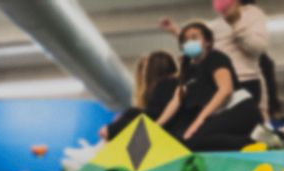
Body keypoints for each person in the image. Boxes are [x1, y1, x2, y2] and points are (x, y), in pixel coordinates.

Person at [157, 21, 262, 151]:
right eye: (185, 40)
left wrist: (199, 120)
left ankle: (265, 141)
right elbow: (177, 99)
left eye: (194, 38)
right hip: (222, 113)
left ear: (207, 42)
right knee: (189, 140)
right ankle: (258, 138)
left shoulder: (215, 57)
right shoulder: (188, 69)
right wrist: (157, 125)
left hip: (240, 108)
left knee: (195, 139)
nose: (189, 43)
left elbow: (225, 90)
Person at [160, 0, 269, 117]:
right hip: (219, 81)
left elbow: (257, 47)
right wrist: (177, 32)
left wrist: (236, 23)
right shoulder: (219, 22)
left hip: (244, 81)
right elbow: (206, 44)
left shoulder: (252, 14)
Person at [100, 50, 179, 140]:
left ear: (149, 73)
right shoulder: (173, 85)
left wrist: (112, 129)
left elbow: (149, 117)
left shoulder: (166, 85)